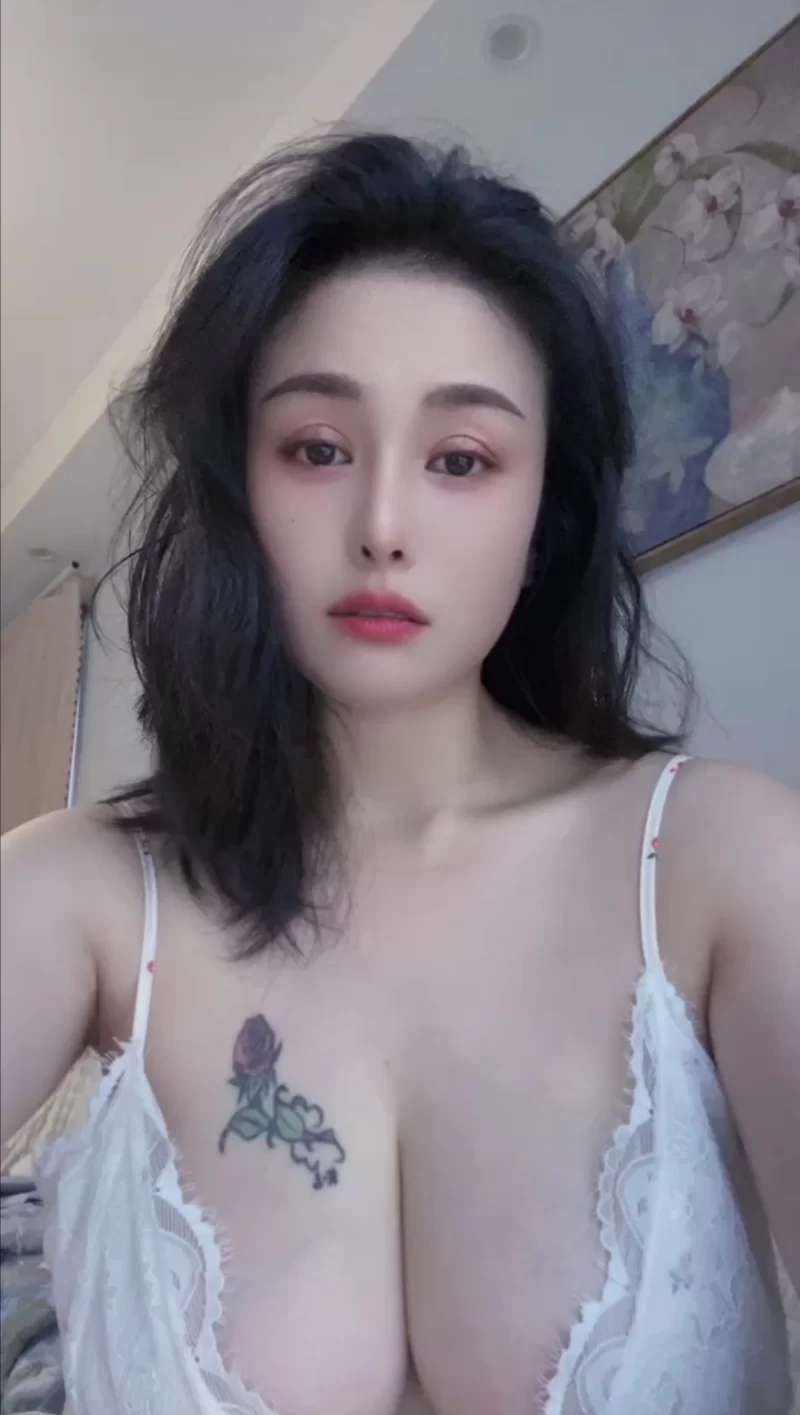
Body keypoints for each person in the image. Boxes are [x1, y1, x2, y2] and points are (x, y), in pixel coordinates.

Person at [1, 132, 797, 1415]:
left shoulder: (722, 861)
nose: (380, 523)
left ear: (540, 521)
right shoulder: (80, 891)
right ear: (234, 488)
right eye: (317, 447)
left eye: (460, 458)